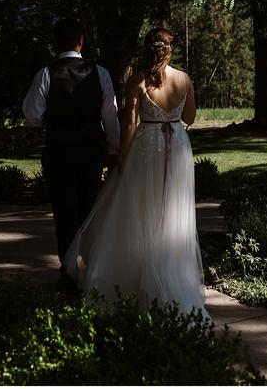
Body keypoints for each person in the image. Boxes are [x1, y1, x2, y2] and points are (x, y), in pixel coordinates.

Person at [62, 27, 210, 321]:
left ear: (148, 49)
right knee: (171, 213)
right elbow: (190, 118)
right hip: (177, 147)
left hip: (148, 147)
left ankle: (139, 281)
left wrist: (122, 159)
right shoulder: (185, 79)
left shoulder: (137, 80)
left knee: (141, 212)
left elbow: (129, 125)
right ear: (170, 49)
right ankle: (170, 275)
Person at [22, 19, 120, 289]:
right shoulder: (99, 73)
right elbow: (110, 117)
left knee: (64, 214)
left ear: (56, 43)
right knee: (89, 212)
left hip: (59, 152)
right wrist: (113, 150)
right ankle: (91, 273)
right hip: (91, 152)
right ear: (81, 41)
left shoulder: (45, 73)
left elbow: (32, 114)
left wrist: (52, 119)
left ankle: (68, 274)